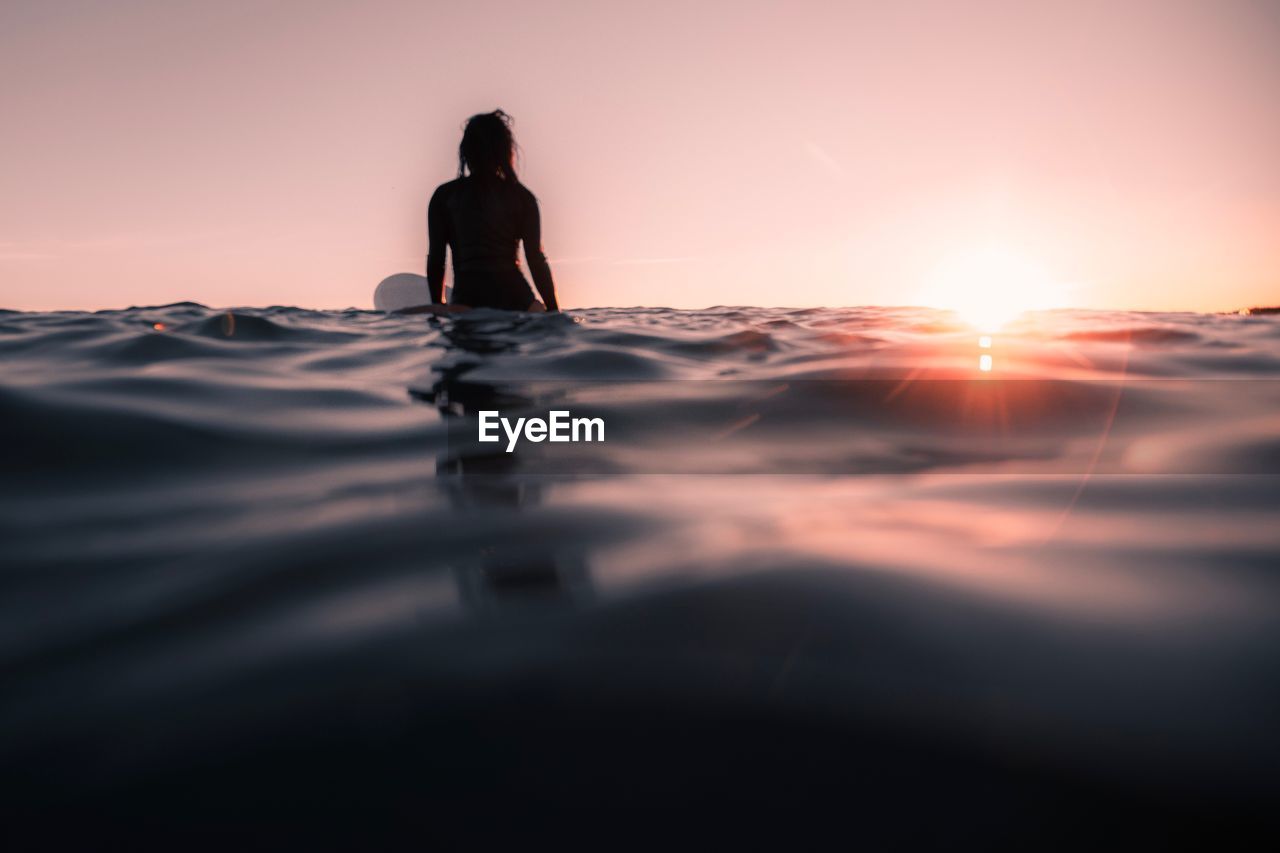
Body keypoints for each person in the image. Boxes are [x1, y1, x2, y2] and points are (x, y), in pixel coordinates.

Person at [424, 110, 559, 312]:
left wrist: (438, 308)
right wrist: (554, 312)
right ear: (505, 152)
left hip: (468, 301)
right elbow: (536, 260)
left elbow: (437, 259)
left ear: (466, 150)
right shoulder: (522, 198)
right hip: (519, 301)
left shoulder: (445, 196)